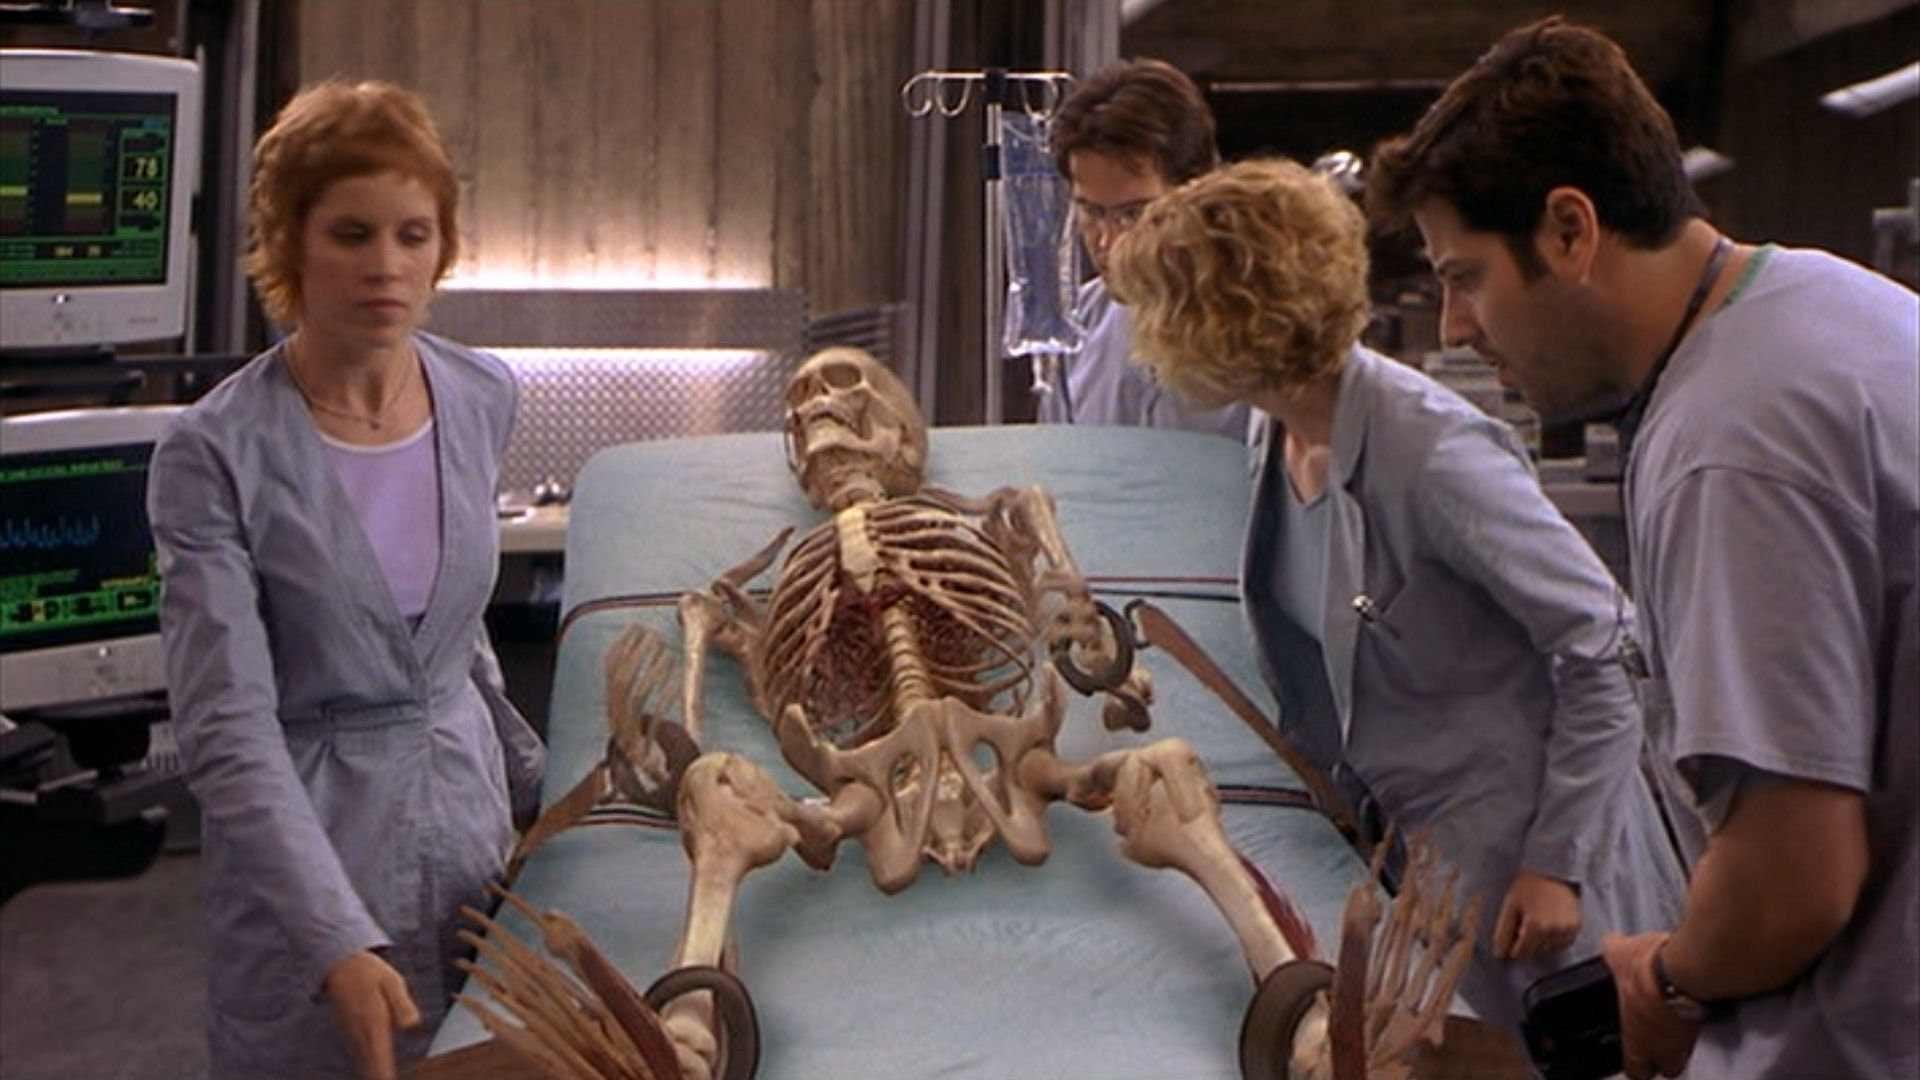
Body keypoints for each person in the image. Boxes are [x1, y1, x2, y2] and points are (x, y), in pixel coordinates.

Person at [1366, 16, 1919, 1079]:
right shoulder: (1829, 307)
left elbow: (1793, 877)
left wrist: (1663, 978)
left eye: (1467, 277)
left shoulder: (1729, 442)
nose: (1454, 328)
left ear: (1570, 231)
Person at [1104, 157, 1685, 1035]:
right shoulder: (1277, 435)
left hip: (1538, 888)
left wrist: (1559, 862)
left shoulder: (1434, 454)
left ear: (1217, 321)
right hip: (1426, 879)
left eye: (1156, 311)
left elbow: (1604, 644)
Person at [148, 80, 545, 1080]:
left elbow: (454, 645)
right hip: (314, 864)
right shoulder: (216, 451)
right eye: (352, 234)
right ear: (289, 244)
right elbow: (225, 728)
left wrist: (545, 790)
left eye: (414, 235)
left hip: (472, 851)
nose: (387, 266)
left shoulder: (479, 394)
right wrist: (332, 935)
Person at [1040, 58, 1250, 440]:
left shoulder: (1263, 328)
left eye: (1133, 214)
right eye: (1091, 212)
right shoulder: (1079, 325)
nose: (1108, 242)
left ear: (1197, 194)